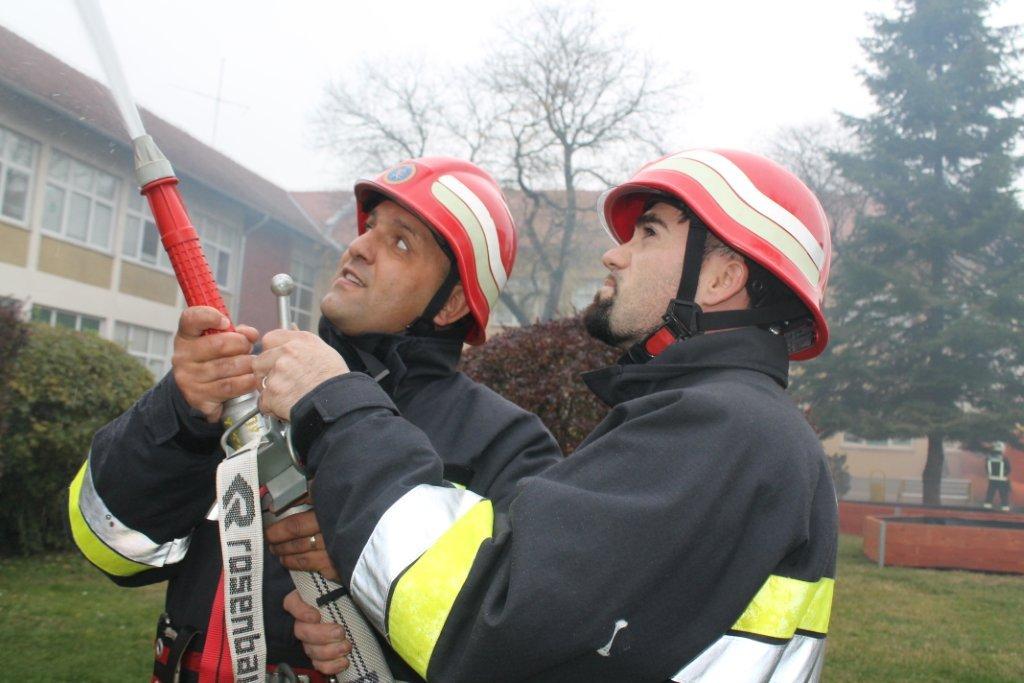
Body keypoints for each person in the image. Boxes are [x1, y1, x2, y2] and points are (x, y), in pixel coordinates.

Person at [266, 149, 839, 682]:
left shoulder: (723, 428)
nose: (614, 253)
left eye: (650, 231)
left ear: (721, 278)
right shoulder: (731, 426)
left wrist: (337, 405)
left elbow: (492, 616)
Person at [66, 157, 562, 682]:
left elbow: (524, 636)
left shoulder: (507, 443)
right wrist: (181, 415)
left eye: (401, 242)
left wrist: (372, 610)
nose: (360, 246)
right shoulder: (249, 380)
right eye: (370, 228)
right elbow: (111, 546)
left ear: (452, 302)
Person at [983, 443, 1012, 511]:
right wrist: (1004, 475)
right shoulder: (1004, 459)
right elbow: (1009, 469)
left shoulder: (988, 458)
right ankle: (1005, 506)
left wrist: (990, 474)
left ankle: (987, 505)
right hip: (1002, 479)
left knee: (990, 492)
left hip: (992, 479)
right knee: (1003, 493)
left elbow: (986, 468)